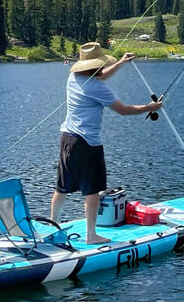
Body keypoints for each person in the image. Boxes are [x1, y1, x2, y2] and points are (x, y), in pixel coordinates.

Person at [51, 42, 162, 244]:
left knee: (62, 187)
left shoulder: (73, 77)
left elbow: (100, 75)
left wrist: (120, 63)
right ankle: (91, 236)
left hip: (67, 138)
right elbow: (124, 110)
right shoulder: (97, 87)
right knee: (92, 191)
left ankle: (52, 227)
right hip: (87, 143)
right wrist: (149, 107)